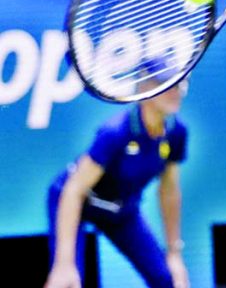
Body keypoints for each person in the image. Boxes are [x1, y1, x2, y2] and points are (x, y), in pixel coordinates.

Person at [44, 62, 190, 288]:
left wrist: (174, 254)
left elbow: (169, 190)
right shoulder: (115, 133)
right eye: (167, 84)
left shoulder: (176, 133)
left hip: (122, 210)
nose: (177, 91)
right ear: (146, 88)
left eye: (180, 83)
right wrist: (64, 263)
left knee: (167, 280)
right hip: (76, 201)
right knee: (67, 282)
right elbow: (73, 190)